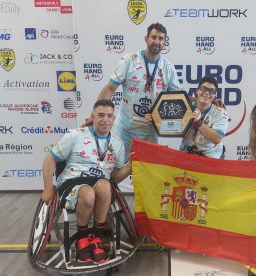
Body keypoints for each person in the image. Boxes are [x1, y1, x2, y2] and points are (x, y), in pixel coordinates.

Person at [41, 99, 132, 264]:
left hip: (100, 182)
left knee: (106, 185)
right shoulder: (75, 135)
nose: (105, 119)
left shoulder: (118, 144)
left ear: (114, 119)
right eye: (101, 115)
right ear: (93, 116)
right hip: (72, 181)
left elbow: (115, 178)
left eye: (109, 116)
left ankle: (96, 234)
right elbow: (49, 160)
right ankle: (82, 237)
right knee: (88, 193)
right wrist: (48, 188)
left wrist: (132, 165)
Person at [96, 22, 182, 151]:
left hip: (149, 132)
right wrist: (97, 115)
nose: (156, 41)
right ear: (146, 39)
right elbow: (110, 89)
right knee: (116, 167)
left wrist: (205, 101)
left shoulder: (168, 68)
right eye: (153, 37)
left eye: (160, 38)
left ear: (164, 42)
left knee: (146, 170)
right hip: (124, 129)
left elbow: (178, 100)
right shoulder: (129, 60)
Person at [179, 75, 228, 159]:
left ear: (215, 95)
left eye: (211, 91)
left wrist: (198, 123)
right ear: (197, 91)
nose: (207, 93)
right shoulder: (185, 108)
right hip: (186, 153)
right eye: (203, 89)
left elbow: (217, 138)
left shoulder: (220, 113)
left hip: (211, 155)